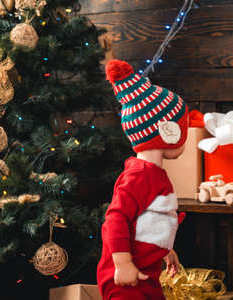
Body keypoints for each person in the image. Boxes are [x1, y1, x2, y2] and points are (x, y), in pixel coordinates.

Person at [97, 59, 189, 300]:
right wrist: (123, 263)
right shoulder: (139, 176)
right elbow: (115, 219)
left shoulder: (154, 174)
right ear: (168, 132)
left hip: (146, 272)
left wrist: (164, 249)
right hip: (126, 279)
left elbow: (148, 220)